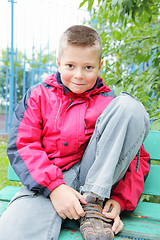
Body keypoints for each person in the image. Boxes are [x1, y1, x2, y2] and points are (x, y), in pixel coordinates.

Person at [0, 25, 150, 240]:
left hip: (97, 184)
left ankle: (93, 206)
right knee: (11, 233)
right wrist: (54, 188)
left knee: (130, 107)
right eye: (70, 65)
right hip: (49, 183)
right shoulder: (38, 96)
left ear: (99, 67)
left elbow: (136, 157)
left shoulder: (111, 105)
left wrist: (118, 199)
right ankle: (75, 204)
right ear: (59, 63)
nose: (78, 75)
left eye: (88, 67)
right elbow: (24, 146)